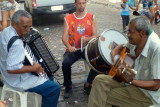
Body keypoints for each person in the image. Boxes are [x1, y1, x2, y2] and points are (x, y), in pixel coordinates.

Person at [88, 16, 160, 107]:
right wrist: (121, 64)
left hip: (147, 95)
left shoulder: (156, 49)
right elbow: (120, 51)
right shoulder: (134, 41)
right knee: (99, 80)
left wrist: (130, 80)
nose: (127, 35)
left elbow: (156, 85)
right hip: (132, 82)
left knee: (103, 95)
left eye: (130, 32)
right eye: (127, 31)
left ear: (142, 33)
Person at [0, 10, 61, 107]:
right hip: (17, 81)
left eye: (30, 26)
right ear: (15, 24)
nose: (28, 30)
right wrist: (33, 68)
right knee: (54, 88)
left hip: (6, 77)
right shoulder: (17, 44)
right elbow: (11, 69)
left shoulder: (6, 31)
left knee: (48, 75)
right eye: (25, 27)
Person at [62, 0, 97, 98]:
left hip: (87, 48)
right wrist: (69, 47)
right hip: (74, 49)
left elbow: (95, 35)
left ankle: (88, 84)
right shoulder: (68, 18)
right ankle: (68, 86)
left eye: (83, 3)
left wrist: (87, 39)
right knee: (65, 63)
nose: (81, 6)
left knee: (98, 62)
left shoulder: (91, 17)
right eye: (79, 3)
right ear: (75, 4)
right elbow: (64, 37)